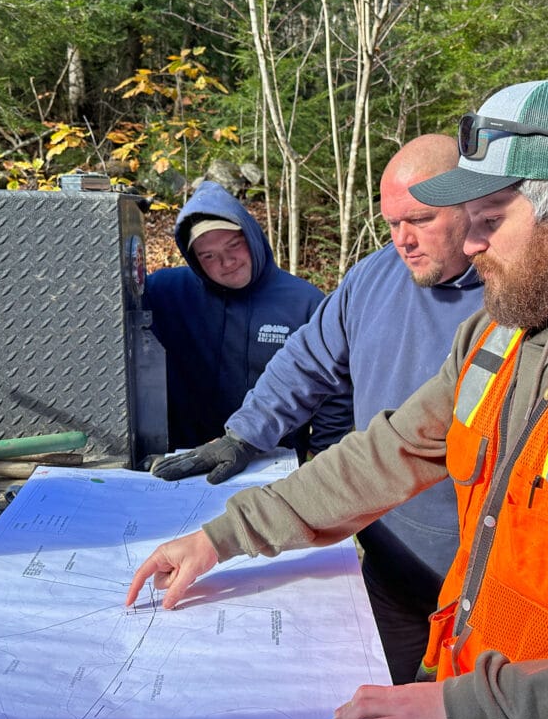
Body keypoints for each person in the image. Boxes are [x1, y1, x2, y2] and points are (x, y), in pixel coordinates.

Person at [127, 79, 548, 719]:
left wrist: (459, 705)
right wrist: (223, 536)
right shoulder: (500, 336)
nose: (471, 246)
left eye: (491, 221)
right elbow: (385, 455)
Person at [145, 134, 484, 684]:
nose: (403, 241)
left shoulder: (510, 295)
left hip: (481, 582)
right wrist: (245, 436)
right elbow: (307, 361)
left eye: (419, 220)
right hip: (388, 564)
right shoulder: (374, 278)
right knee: (375, 694)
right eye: (391, 223)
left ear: (471, 202)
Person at [142, 180, 351, 459]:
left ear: (251, 237)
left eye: (233, 246)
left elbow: (336, 386)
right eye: (209, 256)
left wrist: (320, 451)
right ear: (194, 259)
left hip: (274, 462)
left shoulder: (305, 302)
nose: (227, 262)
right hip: (185, 463)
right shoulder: (167, 292)